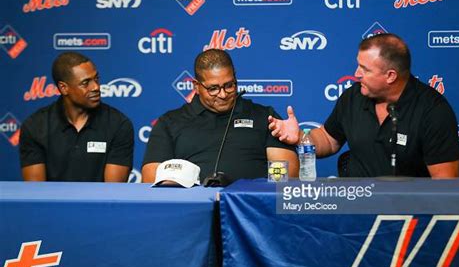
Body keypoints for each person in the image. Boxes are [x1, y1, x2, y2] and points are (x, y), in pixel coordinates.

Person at [268, 33, 459, 178]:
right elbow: (328, 139)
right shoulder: (354, 95)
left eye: (365, 69)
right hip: (354, 210)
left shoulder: (433, 111)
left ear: (390, 76)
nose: (356, 74)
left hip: (406, 218)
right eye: (358, 65)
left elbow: (444, 185)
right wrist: (300, 137)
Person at [142, 49, 298, 183]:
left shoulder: (265, 117)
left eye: (229, 85)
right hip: (192, 209)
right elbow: (151, 181)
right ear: (196, 86)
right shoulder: (169, 123)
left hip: (251, 209)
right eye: (213, 89)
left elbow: (287, 176)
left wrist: (254, 193)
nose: (223, 94)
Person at [19, 52, 134, 182]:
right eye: (85, 83)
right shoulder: (35, 126)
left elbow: (113, 192)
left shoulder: (118, 124)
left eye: (96, 79)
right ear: (64, 88)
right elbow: (36, 192)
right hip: (53, 202)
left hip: (99, 202)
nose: (96, 87)